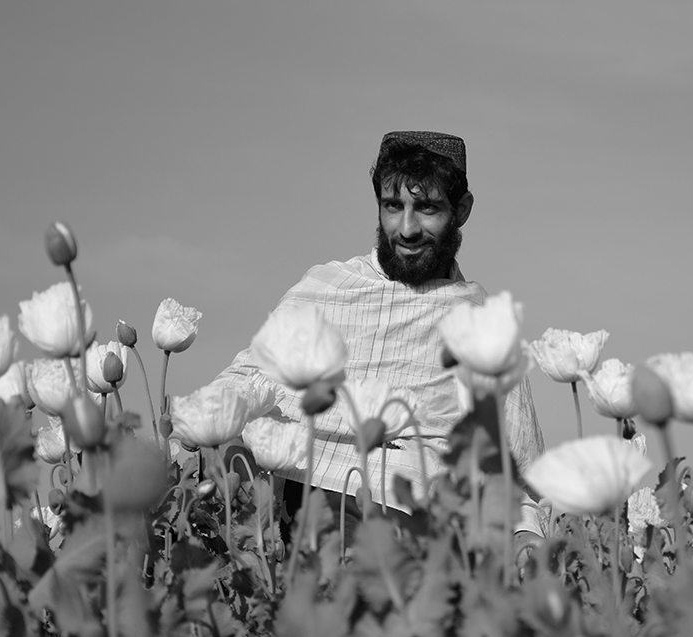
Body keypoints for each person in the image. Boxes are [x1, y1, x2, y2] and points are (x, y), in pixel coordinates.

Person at [212, 130, 545, 545]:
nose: (406, 229)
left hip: (424, 529)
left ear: (461, 210)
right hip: (305, 506)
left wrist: (526, 542)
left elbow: (518, 480)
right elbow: (240, 385)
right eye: (393, 206)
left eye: (426, 208)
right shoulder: (327, 289)